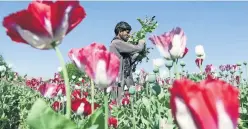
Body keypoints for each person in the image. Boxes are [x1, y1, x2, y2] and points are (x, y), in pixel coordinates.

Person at [109, 21, 145, 105]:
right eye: (127, 32)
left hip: (125, 78)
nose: (129, 35)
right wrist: (141, 43)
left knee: (128, 104)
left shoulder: (121, 46)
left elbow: (128, 62)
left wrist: (137, 56)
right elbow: (138, 48)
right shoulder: (116, 43)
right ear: (120, 31)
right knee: (119, 105)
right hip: (119, 81)